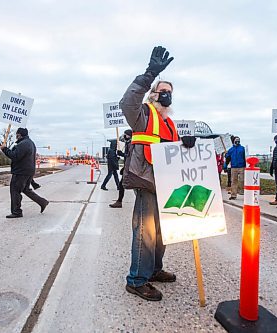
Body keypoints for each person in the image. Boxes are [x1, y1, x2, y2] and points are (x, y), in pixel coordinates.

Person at [120, 46, 196, 301]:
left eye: (170, 93)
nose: (167, 96)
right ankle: (136, 280)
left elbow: (172, 151)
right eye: (163, 92)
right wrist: (150, 73)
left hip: (167, 183)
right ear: (153, 94)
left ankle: (153, 270)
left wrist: (187, 144)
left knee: (163, 230)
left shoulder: (170, 122)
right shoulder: (142, 113)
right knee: (146, 231)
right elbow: (126, 101)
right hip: (146, 179)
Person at [0, 127, 49, 218]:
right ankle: (42, 202)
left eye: (16, 135)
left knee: (15, 190)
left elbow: (15, 156)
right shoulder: (30, 143)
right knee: (26, 189)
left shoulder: (23, 144)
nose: (16, 136)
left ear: (19, 134)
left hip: (21, 172)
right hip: (28, 171)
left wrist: (4, 149)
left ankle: (17, 212)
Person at [109, 129, 132, 208]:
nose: (124, 136)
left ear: (128, 135)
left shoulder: (131, 144)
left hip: (130, 168)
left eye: (125, 134)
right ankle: (119, 202)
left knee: (132, 186)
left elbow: (130, 156)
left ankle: (119, 202)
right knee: (122, 185)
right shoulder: (128, 143)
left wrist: (122, 154)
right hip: (128, 167)